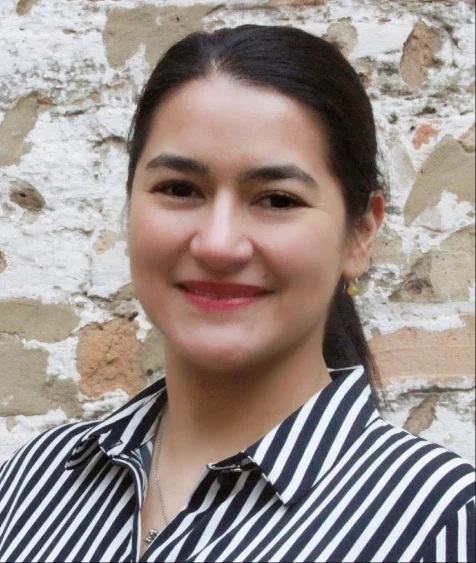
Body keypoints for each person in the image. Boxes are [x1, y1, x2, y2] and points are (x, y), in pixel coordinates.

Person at [0, 25, 474, 563]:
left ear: (361, 232)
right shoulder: (29, 486)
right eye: (179, 189)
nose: (220, 244)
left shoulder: (441, 521)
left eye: (277, 199)